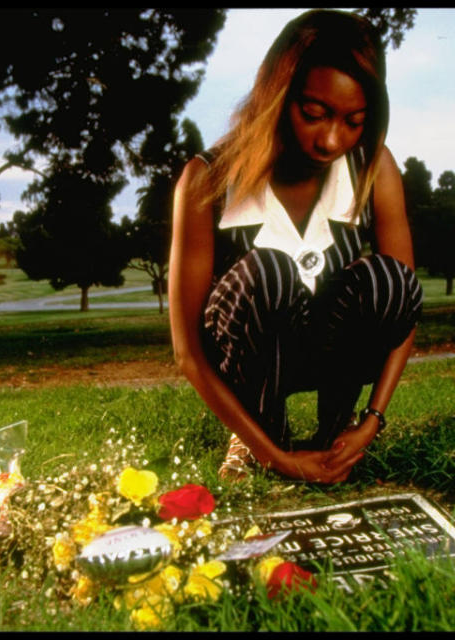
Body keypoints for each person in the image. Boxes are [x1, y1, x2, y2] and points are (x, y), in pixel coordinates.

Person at [169, 9, 422, 484]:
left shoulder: (374, 167)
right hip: (246, 354)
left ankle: (333, 439)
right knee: (268, 272)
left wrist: (371, 421)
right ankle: (258, 436)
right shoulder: (207, 179)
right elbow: (188, 352)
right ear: (277, 97)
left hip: (329, 348)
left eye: (353, 121)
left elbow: (403, 307)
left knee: (390, 280)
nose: (331, 140)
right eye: (314, 114)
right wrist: (277, 459)